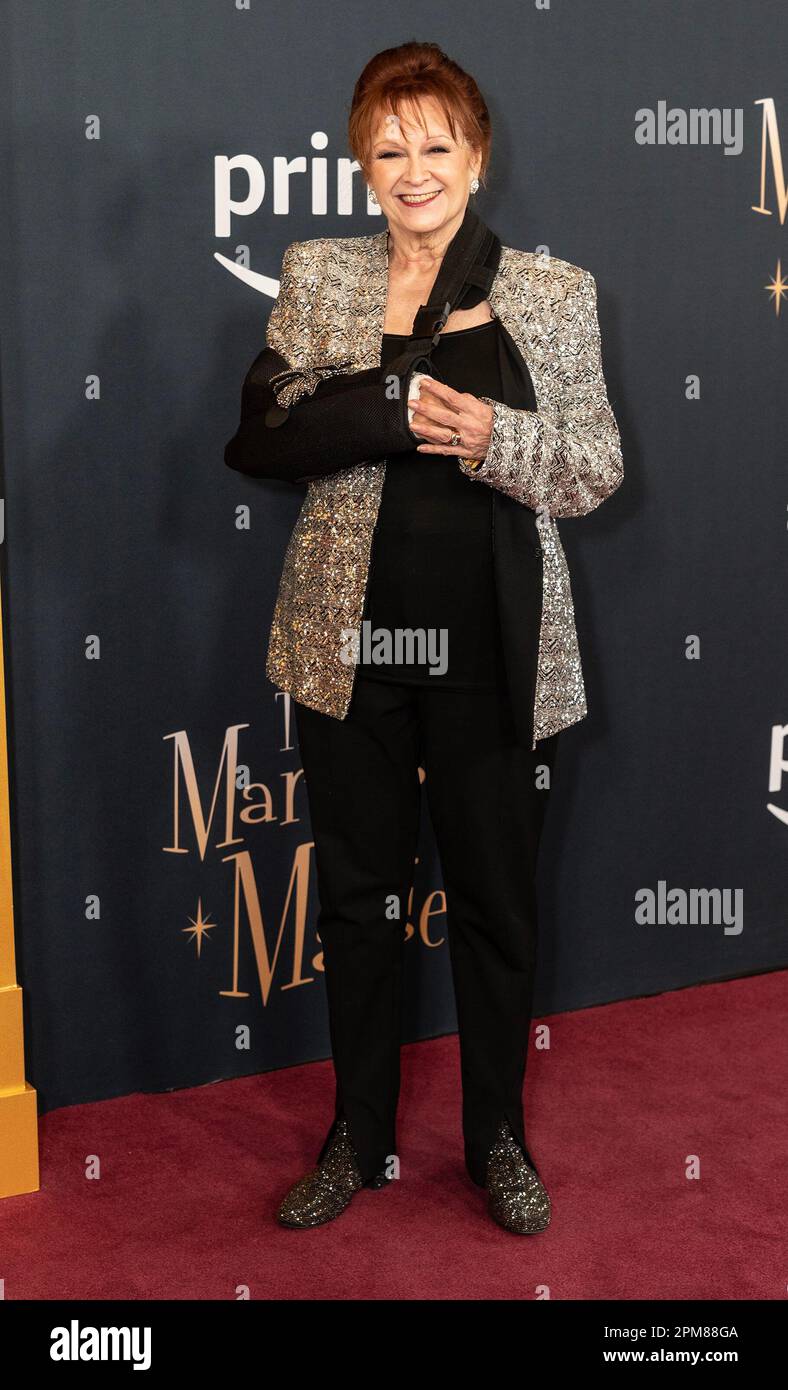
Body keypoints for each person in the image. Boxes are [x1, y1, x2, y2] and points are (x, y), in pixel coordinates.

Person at [224, 40, 624, 1234]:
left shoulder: (552, 293)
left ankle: (495, 1137)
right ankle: (356, 1138)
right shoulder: (319, 277)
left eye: (433, 145)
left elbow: (595, 467)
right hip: (350, 646)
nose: (412, 170)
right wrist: (391, 410)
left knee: (497, 903)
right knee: (357, 899)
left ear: (476, 154)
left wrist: (487, 437)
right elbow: (262, 437)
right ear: (360, 161)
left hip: (492, 650)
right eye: (388, 148)